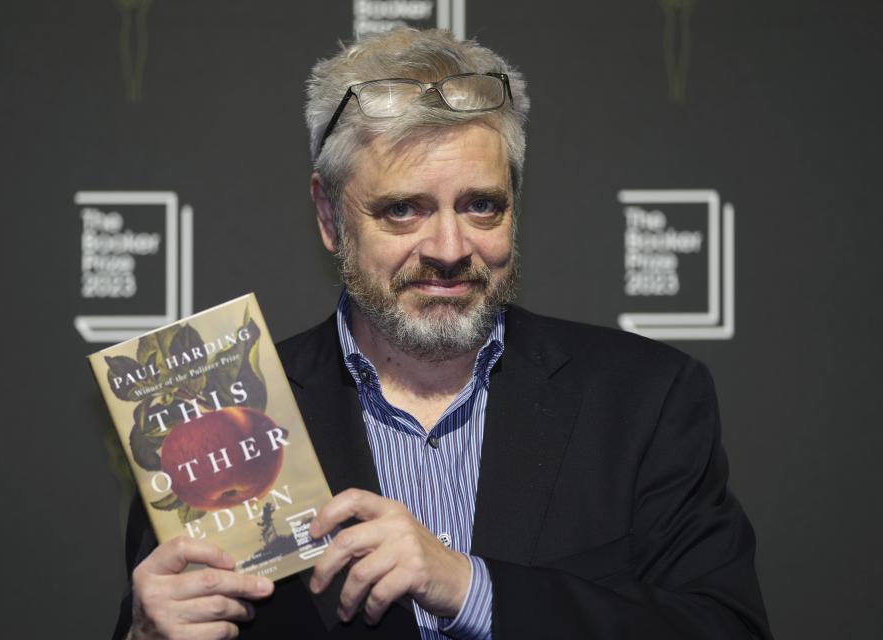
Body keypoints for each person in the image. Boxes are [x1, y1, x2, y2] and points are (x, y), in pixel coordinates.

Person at [113, 29, 772, 639]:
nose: (451, 248)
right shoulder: (214, 411)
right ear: (328, 215)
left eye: (481, 205)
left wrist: (467, 586)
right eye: (403, 210)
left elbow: (723, 629)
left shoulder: (644, 400)